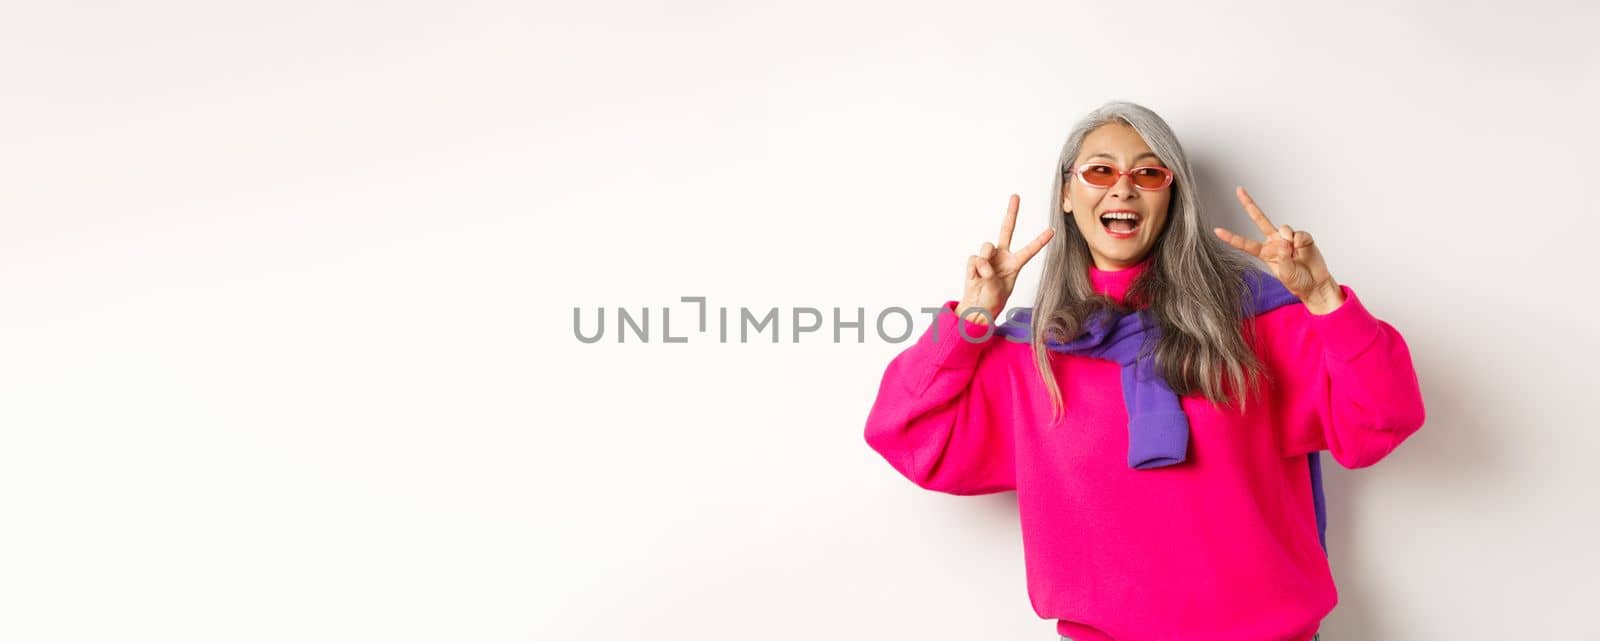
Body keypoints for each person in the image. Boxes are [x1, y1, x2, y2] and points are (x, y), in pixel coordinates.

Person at [861, 101, 1426, 641]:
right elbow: (905, 433)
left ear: (1172, 194)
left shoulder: (1257, 321)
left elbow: (1384, 417)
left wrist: (1325, 299)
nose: (1123, 187)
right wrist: (974, 317)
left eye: (1149, 173)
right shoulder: (1030, 353)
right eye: (1099, 170)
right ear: (1065, 193)